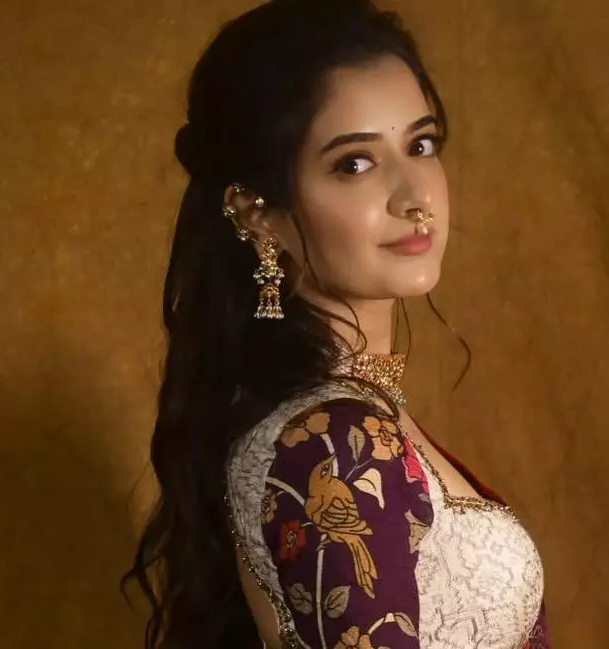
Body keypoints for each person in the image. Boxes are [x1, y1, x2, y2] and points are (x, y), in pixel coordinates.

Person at [123, 1, 550, 647]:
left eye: (421, 144)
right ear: (257, 213)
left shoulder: (341, 419)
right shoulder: (332, 443)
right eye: (354, 163)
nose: (415, 196)